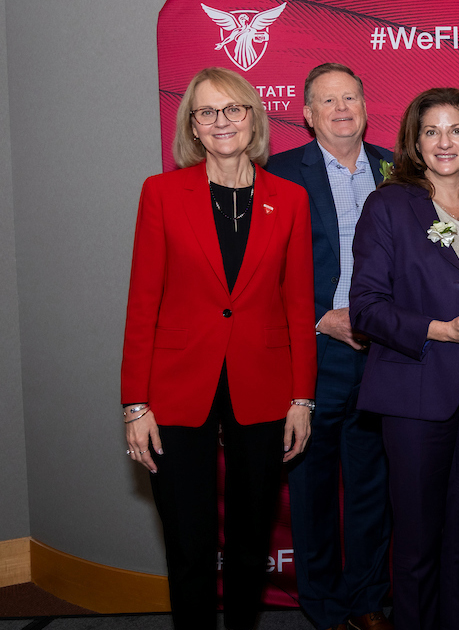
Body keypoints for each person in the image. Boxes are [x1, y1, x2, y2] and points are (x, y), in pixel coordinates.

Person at [121, 66, 316, 630]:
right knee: (188, 543)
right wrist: (135, 404)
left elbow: (298, 306)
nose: (221, 121)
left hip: (264, 388)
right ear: (193, 126)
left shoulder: (291, 199)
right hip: (176, 389)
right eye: (207, 112)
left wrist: (302, 398)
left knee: (252, 540)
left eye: (233, 109)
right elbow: (142, 305)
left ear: (253, 117)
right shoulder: (161, 193)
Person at [349, 87, 459, 630]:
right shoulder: (390, 205)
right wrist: (440, 330)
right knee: (419, 540)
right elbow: (367, 309)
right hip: (416, 393)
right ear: (415, 142)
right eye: (431, 131)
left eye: (456, 129)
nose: (444, 142)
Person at [266, 63, 393, 630]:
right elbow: (259, 275)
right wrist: (322, 319)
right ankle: (323, 607)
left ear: (366, 106)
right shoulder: (278, 173)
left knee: (372, 486)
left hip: (383, 355)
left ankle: (367, 600)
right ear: (307, 114)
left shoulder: (399, 168)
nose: (342, 109)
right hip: (311, 355)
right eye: (328, 101)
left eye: (351, 97)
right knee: (312, 490)